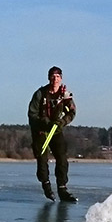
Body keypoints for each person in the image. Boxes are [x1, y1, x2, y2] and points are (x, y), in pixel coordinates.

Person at [28, 66, 77, 202]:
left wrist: (62, 122)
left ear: (61, 78)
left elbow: (72, 112)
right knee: (42, 159)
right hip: (41, 130)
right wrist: (45, 122)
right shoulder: (40, 94)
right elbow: (32, 114)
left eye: (57, 77)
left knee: (62, 158)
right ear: (49, 78)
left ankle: (62, 188)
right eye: (52, 76)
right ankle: (46, 185)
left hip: (56, 130)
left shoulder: (65, 95)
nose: (55, 79)